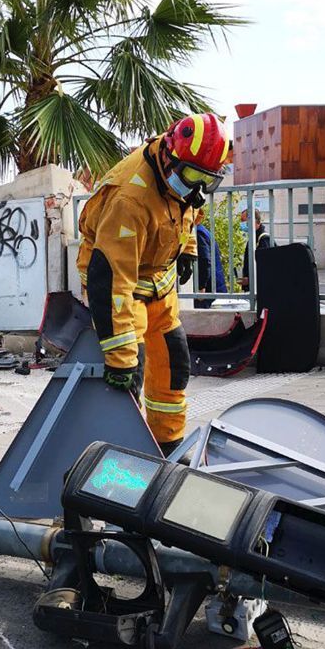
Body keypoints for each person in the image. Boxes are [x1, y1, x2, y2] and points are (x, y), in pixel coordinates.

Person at [77, 113, 229, 456]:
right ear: (167, 154)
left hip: (159, 285)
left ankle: (168, 447)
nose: (195, 186)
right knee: (128, 378)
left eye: (205, 179)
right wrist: (119, 357)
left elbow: (187, 211)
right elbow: (112, 279)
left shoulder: (182, 177)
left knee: (173, 368)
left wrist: (188, 249)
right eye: (191, 175)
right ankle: (121, 453)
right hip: (121, 291)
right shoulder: (130, 199)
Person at [194, 214, 227, 308]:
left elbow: (204, 261)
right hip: (214, 287)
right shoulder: (203, 231)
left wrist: (201, 287)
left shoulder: (198, 233)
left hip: (208, 290)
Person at [240, 207, 271, 289]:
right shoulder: (253, 238)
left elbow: (266, 267)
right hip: (254, 288)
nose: (242, 224)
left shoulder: (263, 238)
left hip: (261, 289)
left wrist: (250, 279)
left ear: (254, 221)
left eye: (244, 221)